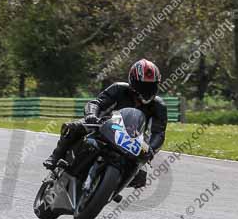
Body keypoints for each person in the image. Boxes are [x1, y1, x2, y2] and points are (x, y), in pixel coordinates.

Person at [43, 59, 167, 188]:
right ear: (132, 81)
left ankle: (109, 189)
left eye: (151, 86)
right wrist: (91, 115)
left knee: (141, 177)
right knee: (74, 127)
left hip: (132, 139)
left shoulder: (159, 105)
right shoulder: (119, 89)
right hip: (104, 126)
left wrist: (151, 148)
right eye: (142, 86)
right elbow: (96, 103)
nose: (146, 90)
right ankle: (55, 157)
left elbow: (159, 132)